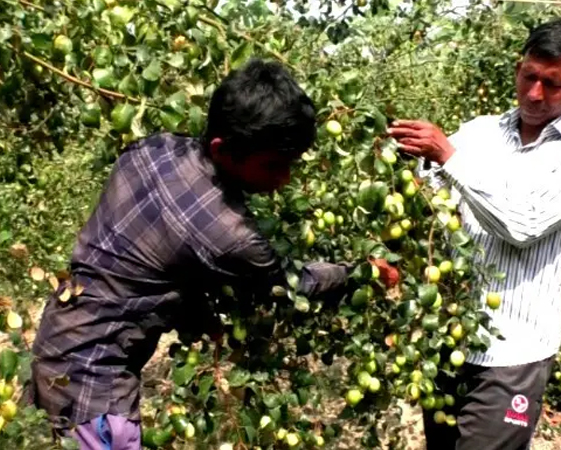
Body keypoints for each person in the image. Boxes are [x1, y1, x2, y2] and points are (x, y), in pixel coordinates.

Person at [24, 58, 351, 450]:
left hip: (57, 340)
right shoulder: (233, 236)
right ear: (222, 149)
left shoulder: (151, 148)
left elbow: (156, 258)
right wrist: (355, 273)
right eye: (273, 166)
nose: (284, 180)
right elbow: (291, 284)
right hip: (93, 383)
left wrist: (198, 312)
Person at [387, 18, 561, 449]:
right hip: (451, 338)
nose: (534, 93)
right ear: (518, 68)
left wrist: (447, 157)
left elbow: (523, 224)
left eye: (553, 84)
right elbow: (430, 198)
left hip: (513, 353)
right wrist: (401, 159)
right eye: (529, 76)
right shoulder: (478, 134)